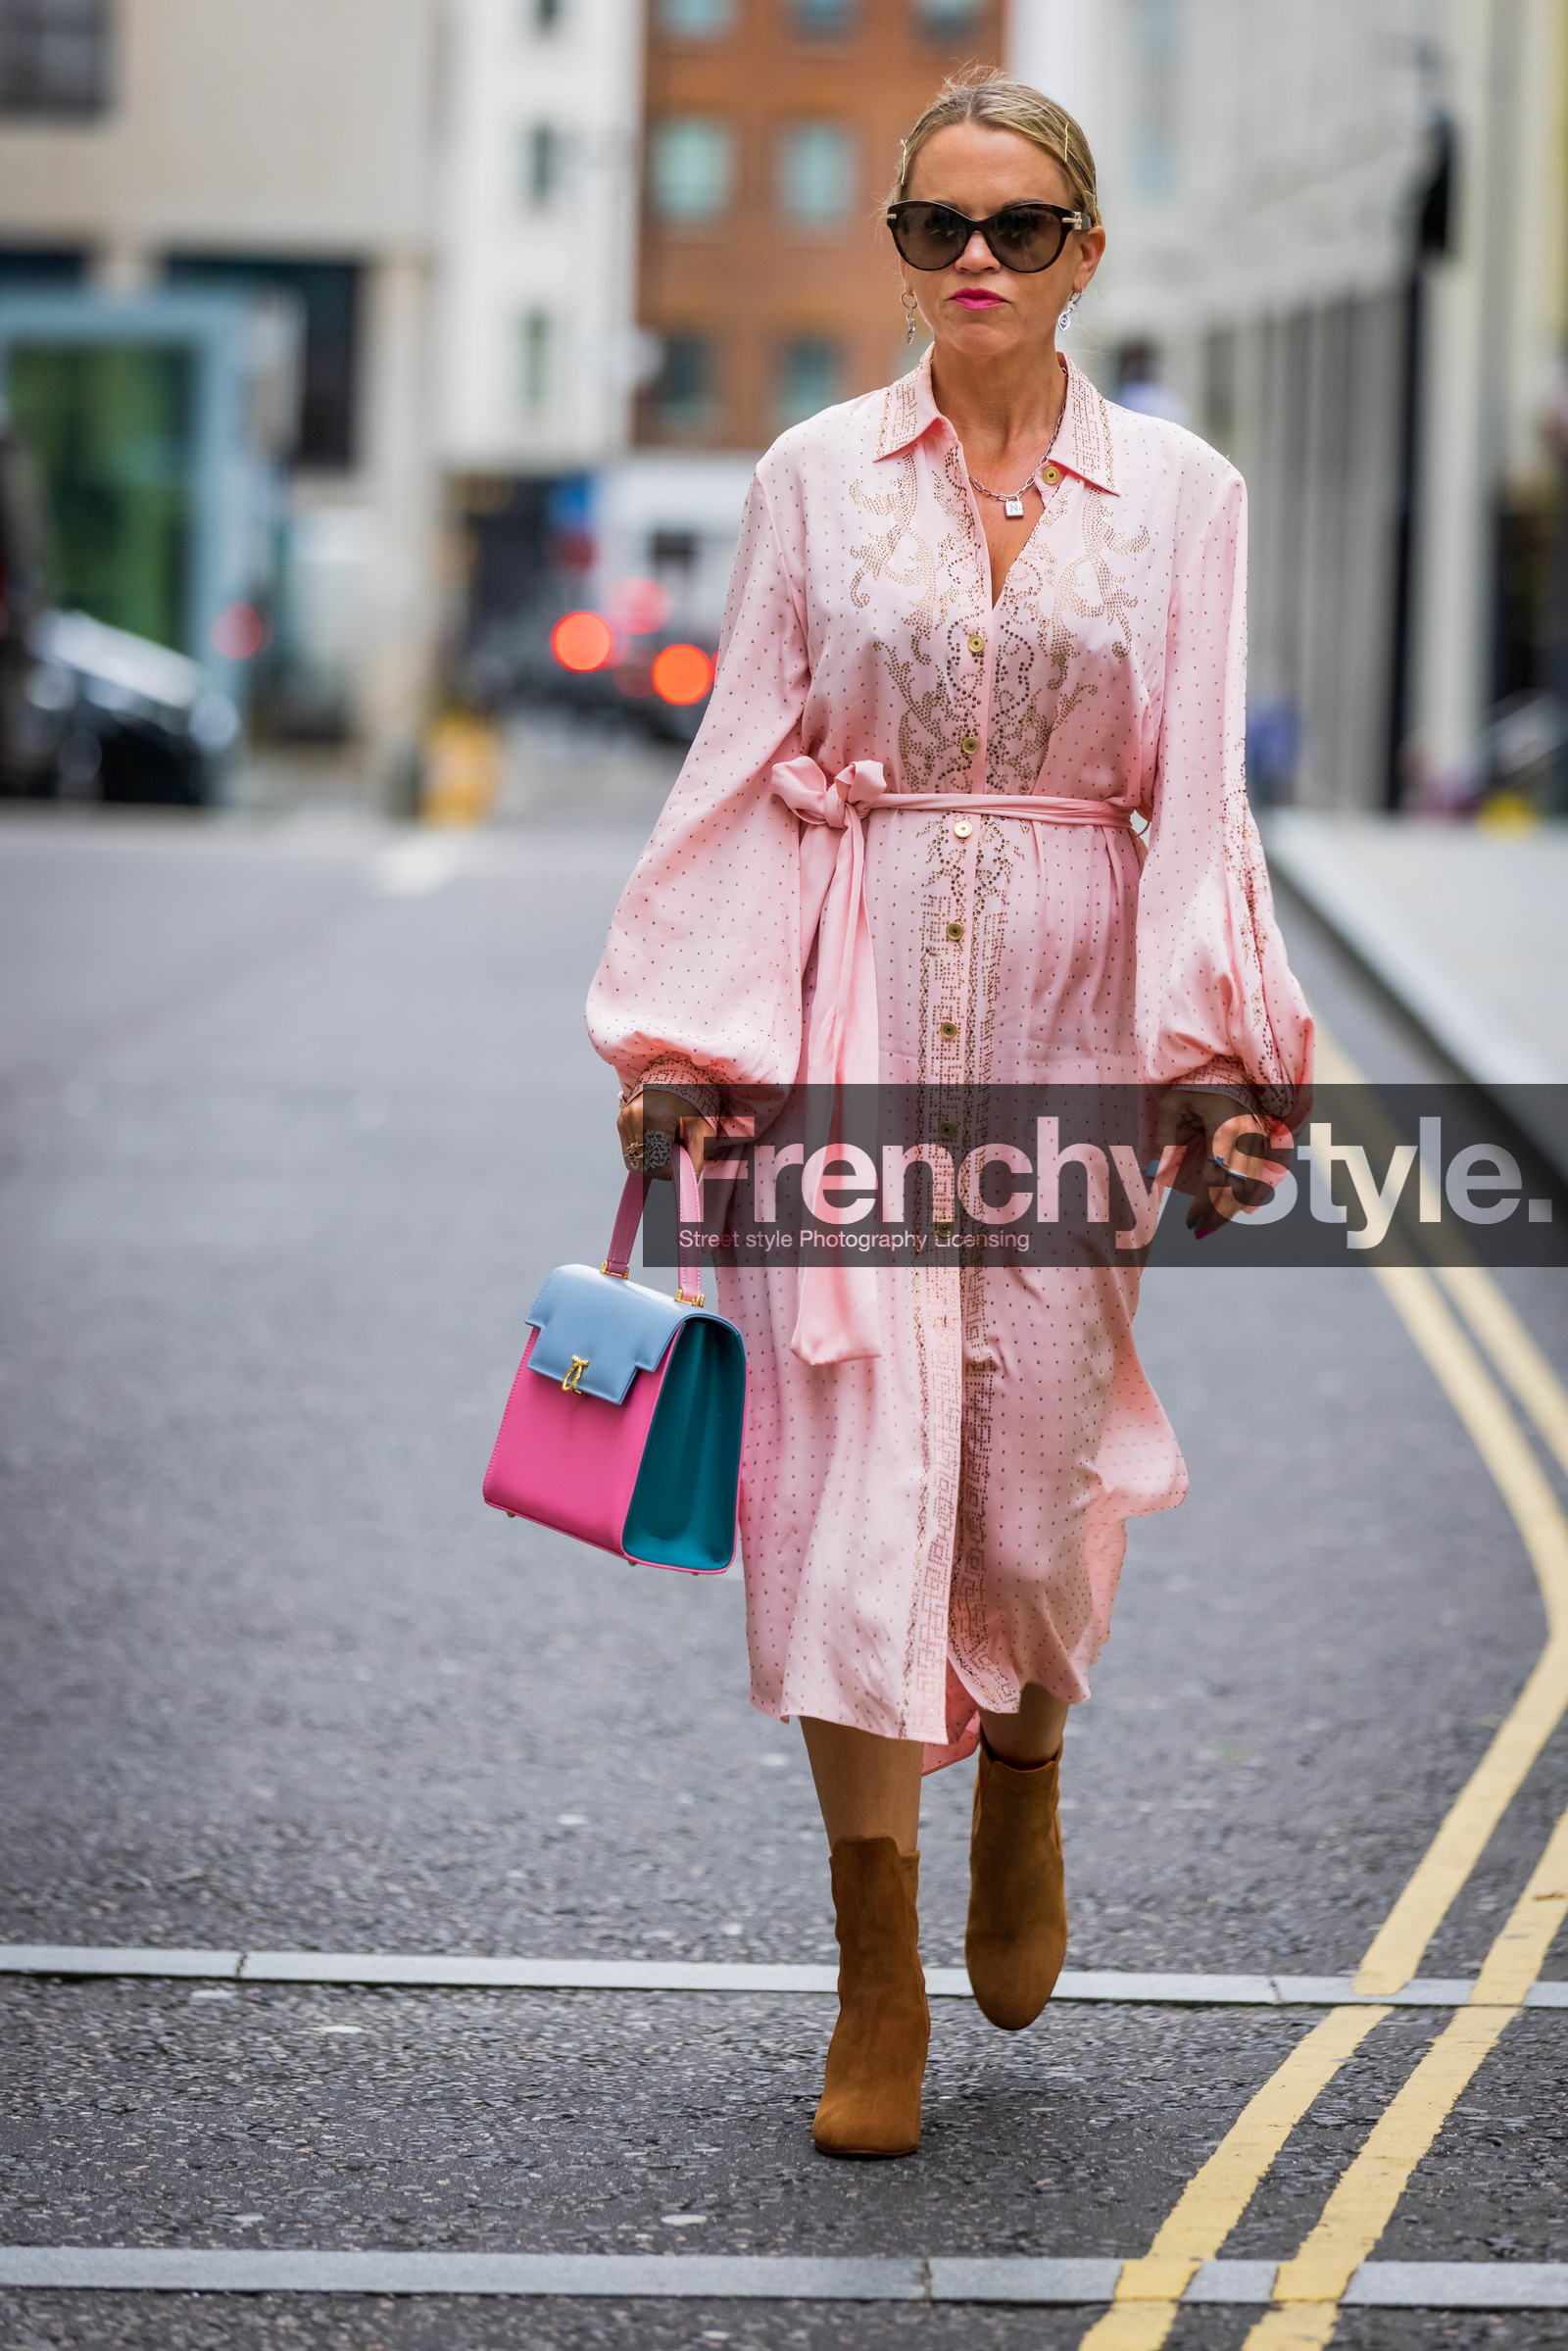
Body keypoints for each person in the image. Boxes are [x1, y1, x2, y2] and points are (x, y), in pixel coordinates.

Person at [587, 71, 1311, 2159]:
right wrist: (684, 1045)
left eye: (1013, 227)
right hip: (845, 997)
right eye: (933, 229)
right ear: (896, 249)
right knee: (842, 1480)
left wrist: (1215, 1058)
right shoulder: (809, 475)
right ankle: (870, 1964)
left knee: (1022, 1476)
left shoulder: (1182, 493)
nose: (972, 262)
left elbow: (1198, 795)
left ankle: (1020, 1770)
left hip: (1081, 1006)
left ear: (1084, 249)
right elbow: (739, 758)